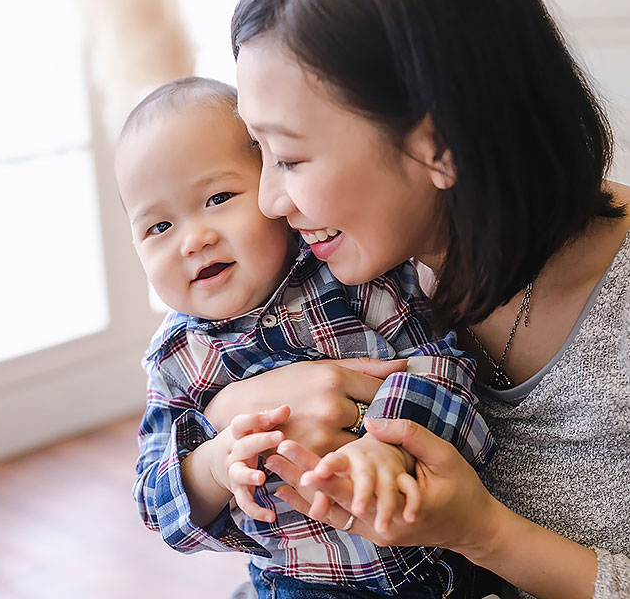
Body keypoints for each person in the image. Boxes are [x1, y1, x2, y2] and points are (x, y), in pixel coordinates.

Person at [202, 0, 630, 598]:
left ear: (440, 145)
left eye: (292, 158)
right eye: (258, 152)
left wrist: (484, 533)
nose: (269, 200)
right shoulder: (324, 267)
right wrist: (235, 405)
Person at [116, 76, 497, 598]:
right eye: (158, 228)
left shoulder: (353, 275)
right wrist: (211, 464)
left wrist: (393, 446)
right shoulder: (177, 360)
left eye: (219, 197)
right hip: (307, 583)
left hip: (441, 557)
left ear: (273, 188)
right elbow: (153, 501)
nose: (193, 240)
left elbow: (447, 366)